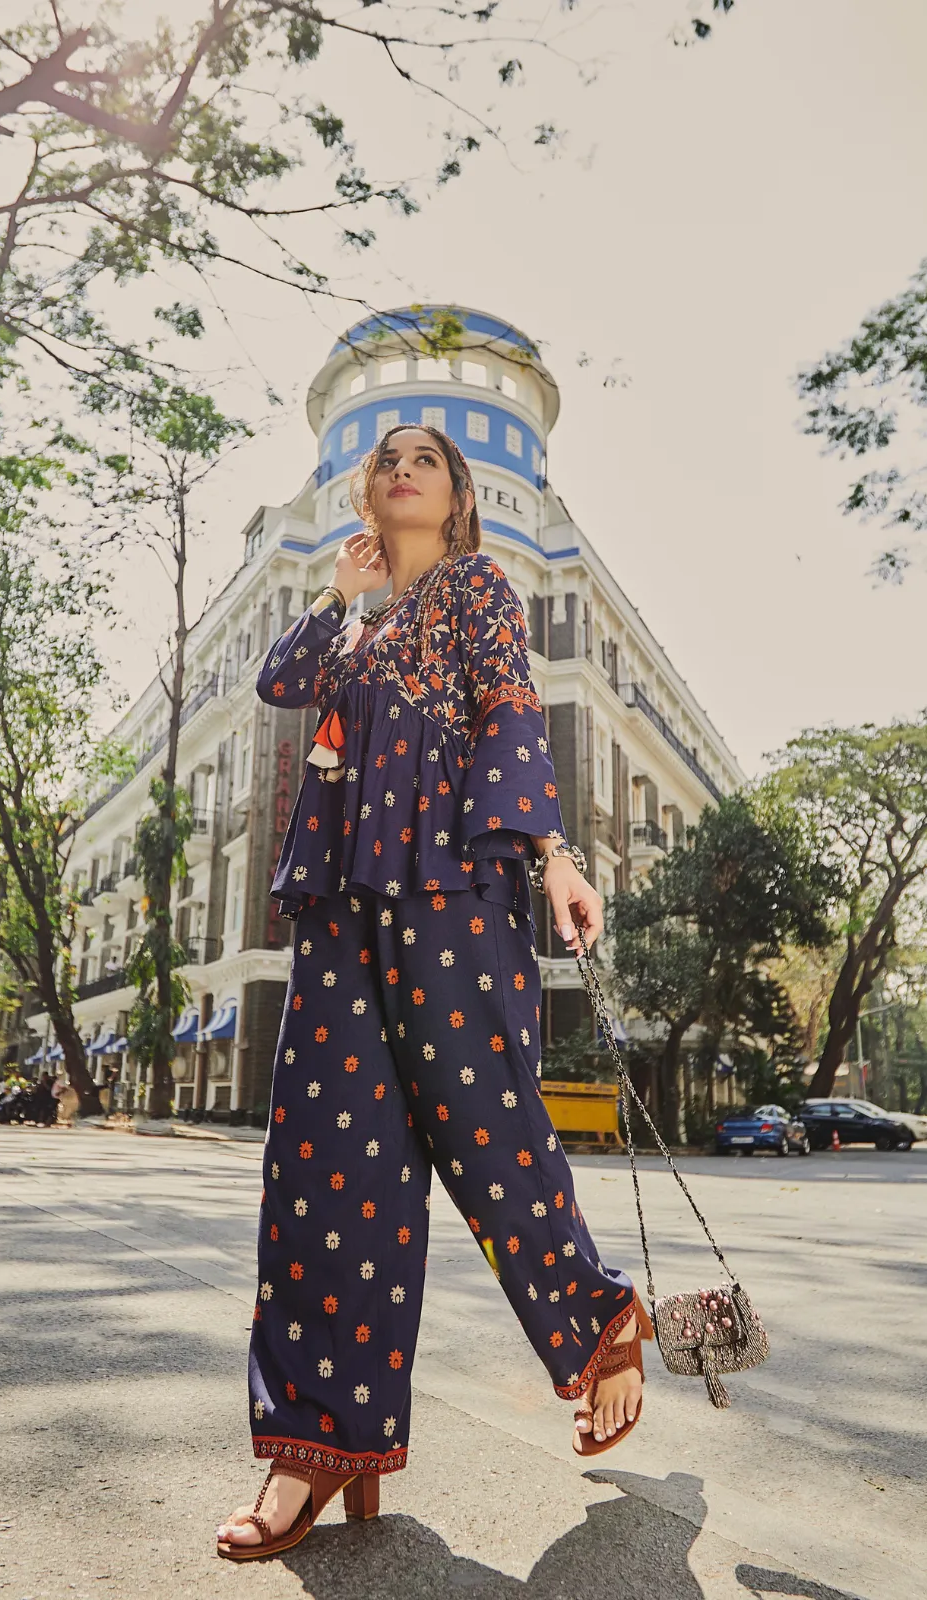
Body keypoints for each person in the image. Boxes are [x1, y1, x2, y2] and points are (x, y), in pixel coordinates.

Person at [217, 424, 649, 1561]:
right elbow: (281, 683)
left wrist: (552, 852)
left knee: (483, 1124)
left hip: (453, 882)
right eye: (387, 459)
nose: (402, 468)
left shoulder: (476, 588)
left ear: (458, 495)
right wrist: (343, 594)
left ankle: (598, 1319)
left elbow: (511, 712)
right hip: (341, 903)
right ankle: (316, 1444)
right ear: (369, 491)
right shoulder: (356, 622)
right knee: (324, 1159)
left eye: (427, 460)